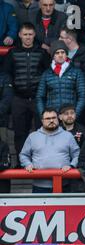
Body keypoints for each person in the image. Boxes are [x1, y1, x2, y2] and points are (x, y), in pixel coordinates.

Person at [3, 22, 50, 158]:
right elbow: (7, 74)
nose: (28, 37)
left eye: (30, 34)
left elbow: (48, 73)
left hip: (37, 99)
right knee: (19, 133)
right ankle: (20, 162)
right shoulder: (12, 53)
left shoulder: (42, 53)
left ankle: (40, 161)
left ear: (34, 35)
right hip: (18, 99)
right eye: (25, 34)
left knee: (42, 132)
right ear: (19, 35)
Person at [19, 107, 80, 193]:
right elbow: (23, 155)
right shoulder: (33, 136)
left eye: (54, 118)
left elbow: (77, 154)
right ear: (42, 120)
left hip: (64, 184)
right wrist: (27, 164)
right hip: (39, 185)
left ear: (58, 118)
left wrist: (71, 166)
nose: (51, 120)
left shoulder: (68, 136)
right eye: (48, 118)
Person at [36, 40, 85, 117]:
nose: (60, 55)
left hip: (70, 117)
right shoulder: (46, 74)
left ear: (66, 54)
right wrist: (44, 116)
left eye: (63, 52)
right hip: (52, 118)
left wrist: (74, 114)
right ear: (53, 55)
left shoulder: (77, 72)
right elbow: (39, 97)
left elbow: (83, 96)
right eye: (57, 53)